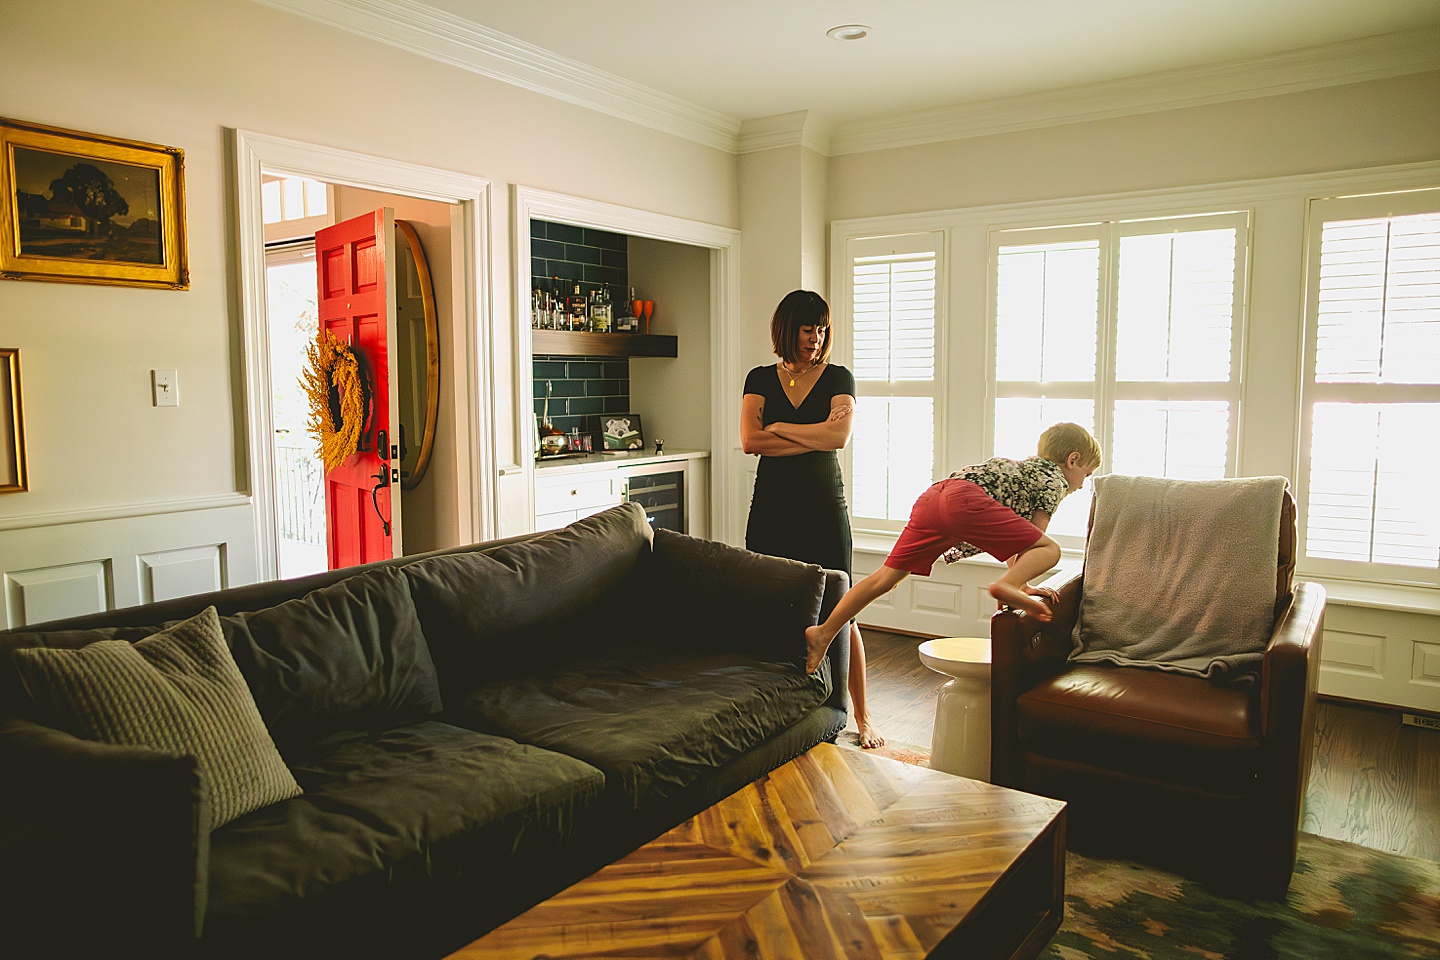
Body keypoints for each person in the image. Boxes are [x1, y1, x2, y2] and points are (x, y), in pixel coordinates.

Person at [803, 422, 1103, 674]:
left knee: (885, 578)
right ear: (1072, 460)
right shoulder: (1054, 480)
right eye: (1086, 475)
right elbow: (1034, 539)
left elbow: (1016, 542)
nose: (1081, 484)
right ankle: (1006, 585)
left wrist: (1022, 584)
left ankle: (823, 632)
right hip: (964, 503)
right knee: (1051, 550)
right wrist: (1013, 585)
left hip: (935, 497)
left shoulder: (1023, 469)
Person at [741, 289, 885, 749]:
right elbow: (749, 441)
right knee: (768, 606)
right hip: (771, 508)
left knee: (843, 609)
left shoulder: (839, 376)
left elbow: (838, 436)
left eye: (823, 329)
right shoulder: (760, 377)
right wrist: (811, 435)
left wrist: (779, 427)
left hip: (824, 508)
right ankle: (773, 707)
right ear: (787, 329)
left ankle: (862, 715)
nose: (817, 338)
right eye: (808, 329)